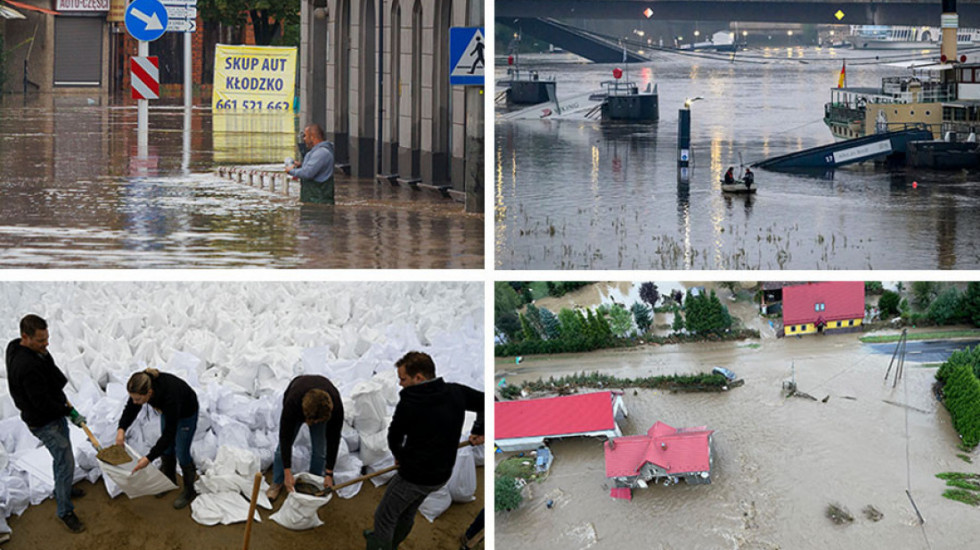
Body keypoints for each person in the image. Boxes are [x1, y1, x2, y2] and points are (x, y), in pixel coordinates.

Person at [364, 351, 484, 550]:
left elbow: (394, 436)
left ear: (418, 378)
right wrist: (479, 430)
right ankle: (390, 542)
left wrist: (399, 457)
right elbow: (486, 401)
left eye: (403, 379)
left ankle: (382, 545)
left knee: (385, 516)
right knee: (408, 511)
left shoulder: (410, 402)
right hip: (441, 474)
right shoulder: (456, 392)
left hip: (414, 476)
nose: (400, 384)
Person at [6, 314, 86, 533]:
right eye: (41, 341)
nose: (46, 344)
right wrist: (69, 411)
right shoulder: (26, 367)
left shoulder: (17, 346)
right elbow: (42, 404)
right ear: (26, 337)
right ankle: (65, 511)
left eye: (46, 338)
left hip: (50, 412)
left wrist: (60, 392)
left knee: (62, 459)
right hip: (44, 422)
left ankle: (64, 488)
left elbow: (48, 367)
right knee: (64, 461)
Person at [116, 368, 199, 509]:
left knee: (182, 452)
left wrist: (148, 458)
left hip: (186, 413)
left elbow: (169, 433)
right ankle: (169, 480)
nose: (135, 402)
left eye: (138, 399)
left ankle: (189, 490)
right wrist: (121, 429)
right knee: (166, 448)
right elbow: (131, 408)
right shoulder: (142, 384)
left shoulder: (170, 396)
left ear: (149, 393)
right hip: (168, 411)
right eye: (133, 398)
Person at [266, 375, 345, 500]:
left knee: (320, 450)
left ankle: (314, 481)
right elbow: (285, 438)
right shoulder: (292, 403)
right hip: (297, 396)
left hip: (321, 406)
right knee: (282, 449)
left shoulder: (336, 408)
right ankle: (277, 482)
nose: (315, 424)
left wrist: (329, 473)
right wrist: (288, 472)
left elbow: (333, 440)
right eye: (314, 422)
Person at [286, 123, 336, 205]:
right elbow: (314, 169)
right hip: (313, 201)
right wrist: (301, 165)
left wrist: (291, 171)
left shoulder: (321, 153)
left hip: (318, 204)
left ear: (312, 137)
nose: (304, 139)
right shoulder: (317, 152)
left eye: (305, 136)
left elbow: (307, 173)